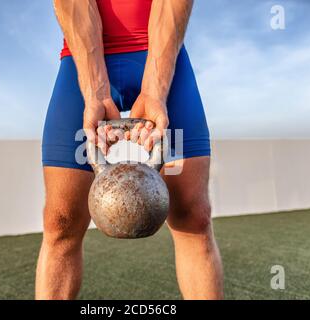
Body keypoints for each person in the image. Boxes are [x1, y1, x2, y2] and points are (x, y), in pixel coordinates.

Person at [36, 0, 223, 300]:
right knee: (60, 221)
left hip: (160, 54)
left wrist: (155, 89)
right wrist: (96, 90)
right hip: (80, 58)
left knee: (193, 216)